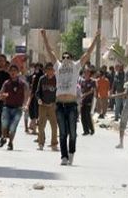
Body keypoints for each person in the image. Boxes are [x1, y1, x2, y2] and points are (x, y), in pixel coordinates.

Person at [41, 28, 98, 166]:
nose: (65, 58)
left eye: (68, 56)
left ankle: (71, 152)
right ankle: (64, 156)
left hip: (72, 105)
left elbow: (88, 53)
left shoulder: (76, 66)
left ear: (71, 58)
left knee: (72, 133)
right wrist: (44, 37)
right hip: (60, 104)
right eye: (64, 57)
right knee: (63, 132)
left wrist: (96, 38)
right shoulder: (58, 67)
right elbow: (50, 52)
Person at [0, 65, 30, 151]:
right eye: (11, 71)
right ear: (9, 72)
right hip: (7, 107)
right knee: (4, 124)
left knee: (13, 127)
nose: (13, 72)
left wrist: (26, 105)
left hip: (18, 109)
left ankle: (10, 143)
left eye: (15, 70)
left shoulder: (23, 84)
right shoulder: (6, 83)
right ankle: (3, 137)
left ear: (18, 72)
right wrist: (2, 95)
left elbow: (28, 95)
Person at [36, 63, 59, 151]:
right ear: (45, 70)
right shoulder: (42, 79)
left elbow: (59, 92)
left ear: (54, 70)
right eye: (48, 69)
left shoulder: (56, 79)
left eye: (51, 69)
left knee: (54, 125)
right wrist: (39, 99)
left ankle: (54, 144)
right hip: (43, 105)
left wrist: (55, 103)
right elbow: (38, 92)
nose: (50, 71)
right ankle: (41, 143)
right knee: (41, 125)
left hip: (52, 106)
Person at [28, 63, 44, 134]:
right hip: (37, 97)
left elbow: (33, 88)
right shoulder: (43, 76)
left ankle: (35, 129)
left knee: (35, 114)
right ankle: (34, 128)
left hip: (36, 97)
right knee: (35, 114)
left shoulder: (37, 76)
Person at [79, 68, 96, 136]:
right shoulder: (83, 81)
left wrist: (85, 94)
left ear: (89, 73)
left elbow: (92, 90)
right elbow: (81, 90)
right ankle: (85, 130)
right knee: (82, 116)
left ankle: (91, 129)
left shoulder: (92, 81)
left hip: (89, 100)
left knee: (88, 115)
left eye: (87, 72)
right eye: (85, 72)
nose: (86, 74)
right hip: (83, 100)